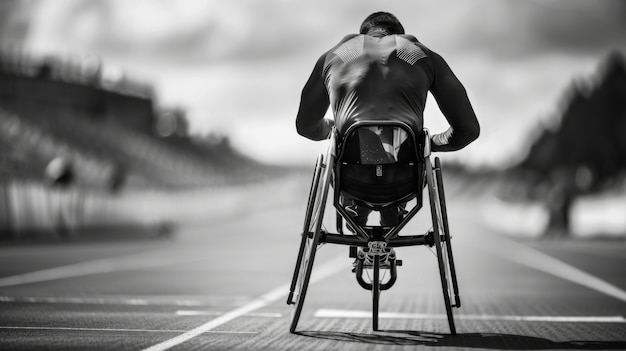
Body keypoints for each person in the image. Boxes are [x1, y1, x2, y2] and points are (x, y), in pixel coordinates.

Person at [296, 11, 480, 226]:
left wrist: (332, 128)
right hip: (404, 178)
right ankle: (395, 208)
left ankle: (354, 208)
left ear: (362, 35)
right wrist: (428, 142)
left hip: (351, 178)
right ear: (399, 36)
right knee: (398, 150)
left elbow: (306, 126)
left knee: (353, 147)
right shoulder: (423, 54)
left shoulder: (335, 55)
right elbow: (468, 130)